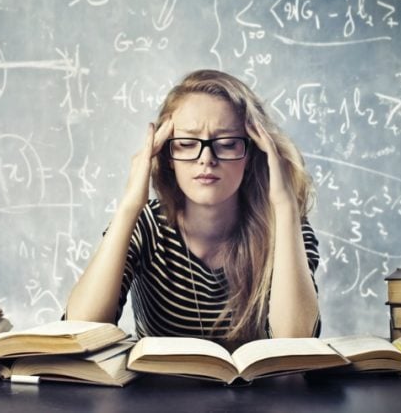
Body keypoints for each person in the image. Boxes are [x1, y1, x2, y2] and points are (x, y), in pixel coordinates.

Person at [65, 69, 320, 348]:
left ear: (252, 153)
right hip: (161, 391)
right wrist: (129, 206)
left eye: (227, 144)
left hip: (258, 391)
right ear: (166, 153)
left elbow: (297, 342)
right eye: (187, 144)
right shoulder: (146, 224)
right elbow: (80, 331)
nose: (206, 159)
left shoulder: (285, 226)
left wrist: (285, 206)